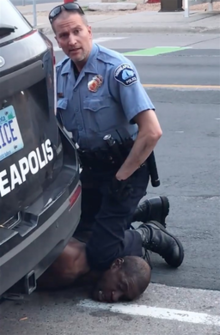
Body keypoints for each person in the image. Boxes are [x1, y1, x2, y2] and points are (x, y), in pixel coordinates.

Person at [48, 2, 184, 275]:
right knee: (74, 232)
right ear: (57, 40)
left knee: (100, 255)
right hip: (91, 170)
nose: (72, 40)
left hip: (126, 170)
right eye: (64, 35)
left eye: (77, 31)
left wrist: (122, 177)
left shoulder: (116, 69)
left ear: (89, 30)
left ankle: (148, 233)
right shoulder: (60, 75)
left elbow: (152, 131)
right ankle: (142, 211)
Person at [37, 220, 181, 303]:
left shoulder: (103, 277)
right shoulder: (70, 264)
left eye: (122, 298)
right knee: (111, 248)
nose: (114, 296)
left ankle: (139, 216)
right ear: (115, 264)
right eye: (120, 286)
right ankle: (146, 234)